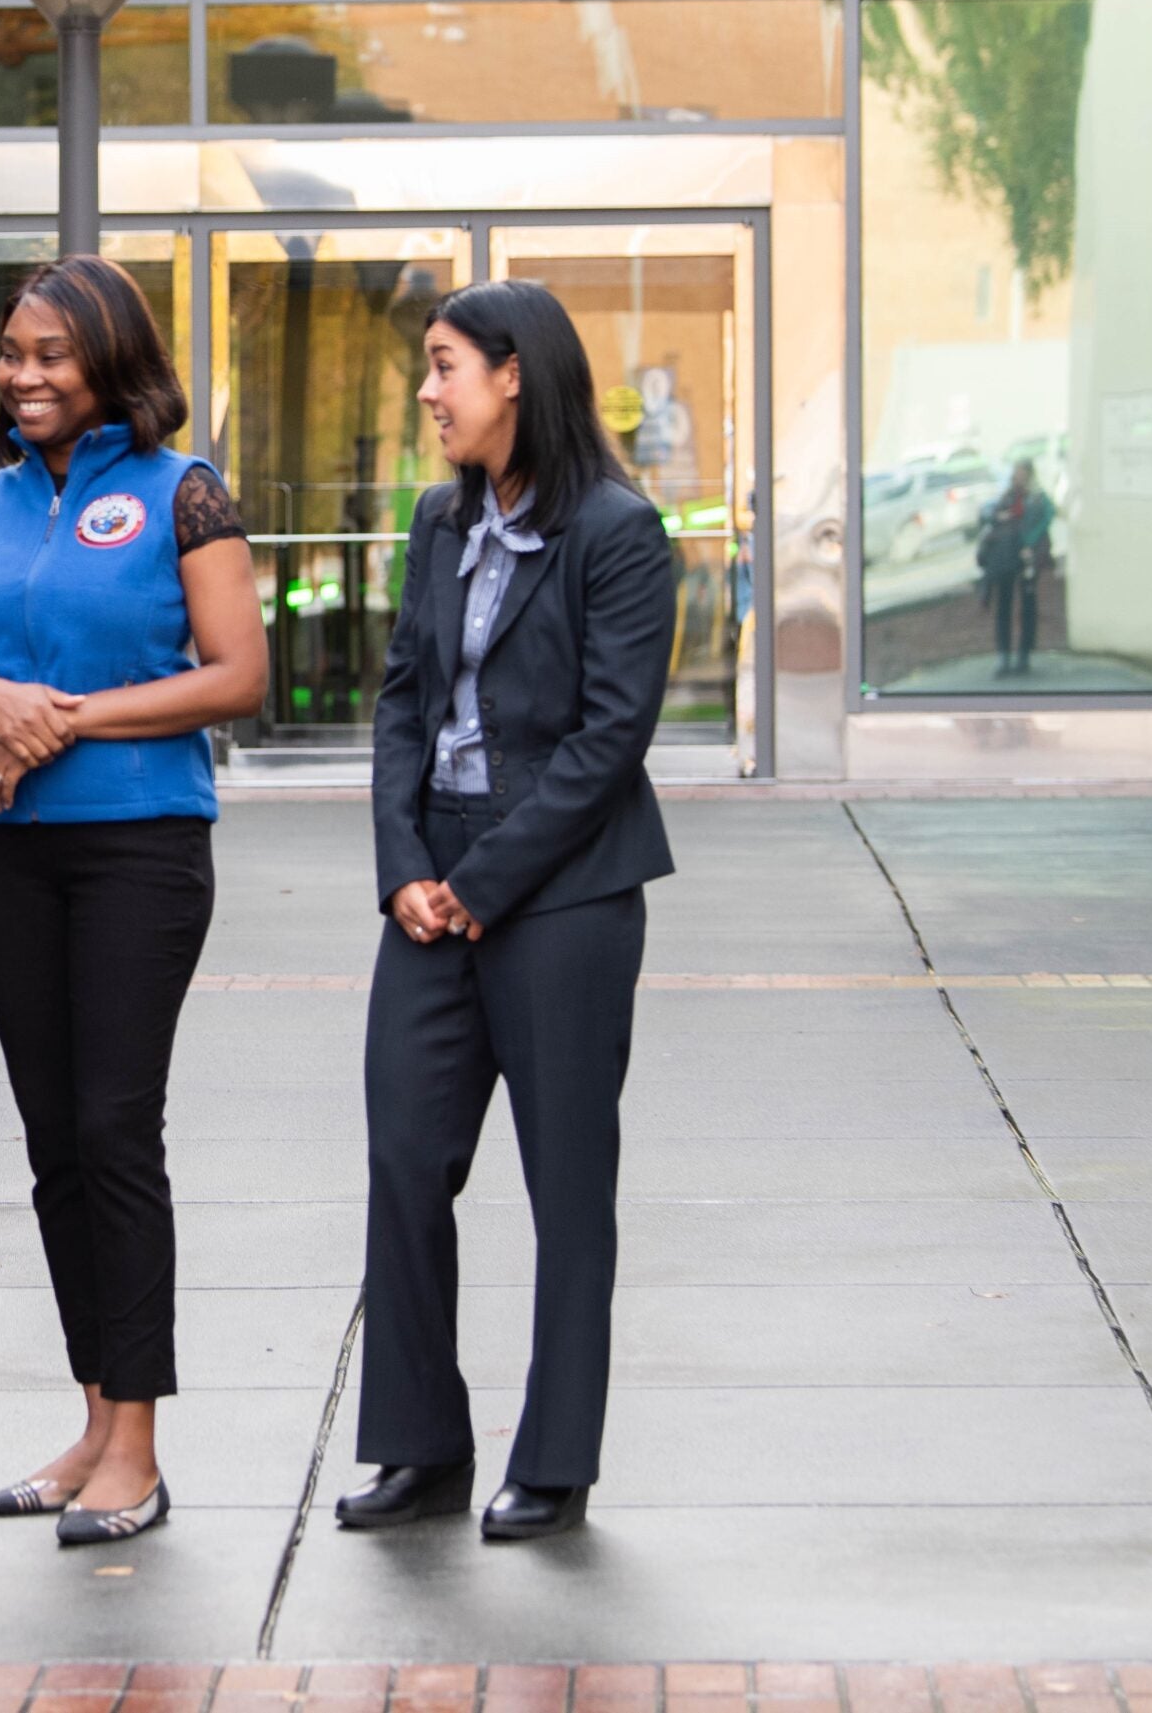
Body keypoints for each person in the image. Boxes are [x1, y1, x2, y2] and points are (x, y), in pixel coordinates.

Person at [0, 254, 267, 1547]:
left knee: (117, 1131)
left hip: (140, 848)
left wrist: (62, 718)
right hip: (10, 849)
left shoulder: (183, 493)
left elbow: (238, 675)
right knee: (53, 1142)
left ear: (110, 360)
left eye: (52, 354)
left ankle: (141, 1443)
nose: (24, 375)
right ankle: (90, 1420)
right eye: (12, 352)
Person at [337, 279, 677, 1545]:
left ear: (513, 374)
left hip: (564, 900)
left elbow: (606, 742)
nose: (427, 394)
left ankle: (555, 1459)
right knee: (403, 1160)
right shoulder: (437, 519)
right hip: (432, 886)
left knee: (566, 1183)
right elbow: (401, 701)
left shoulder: (617, 529)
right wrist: (404, 867)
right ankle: (420, 1445)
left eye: (442, 369)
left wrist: (481, 887)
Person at [977, 460, 1054, 677]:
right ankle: (1004, 657)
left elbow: (1046, 519)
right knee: (1004, 606)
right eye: (1015, 473)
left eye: (1021, 473)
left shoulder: (1038, 498)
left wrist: (1030, 543)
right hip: (1006, 558)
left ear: (1029, 474)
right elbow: (991, 517)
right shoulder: (1008, 496)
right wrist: (999, 517)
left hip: (1028, 559)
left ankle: (1024, 656)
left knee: (1027, 607)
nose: (1017, 477)